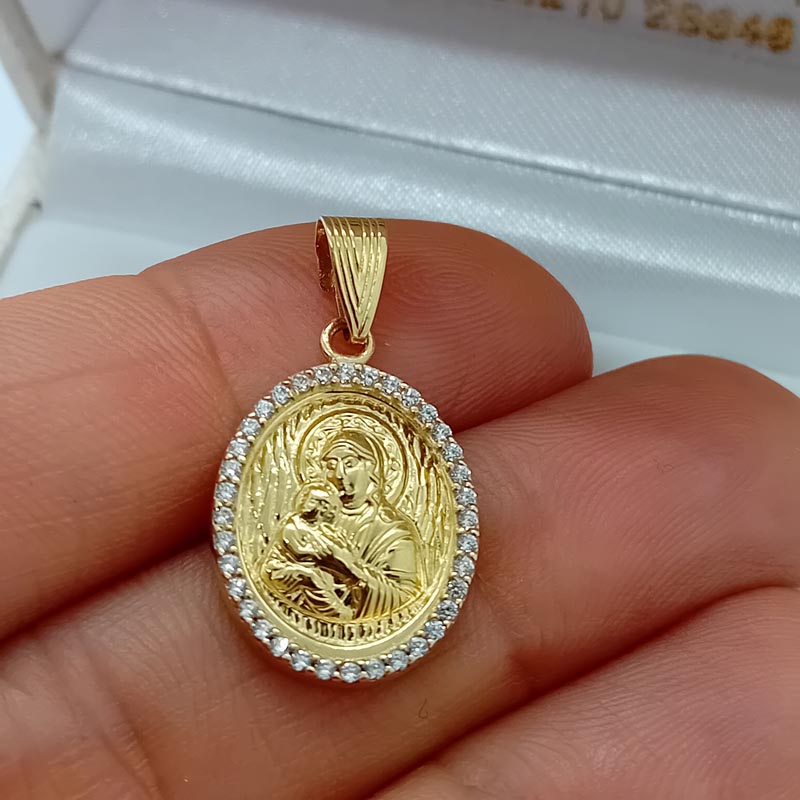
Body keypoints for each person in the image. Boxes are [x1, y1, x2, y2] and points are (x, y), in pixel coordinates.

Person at [2, 221, 799, 797]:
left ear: (377, 473)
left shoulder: (391, 531)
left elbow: (396, 587)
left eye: (353, 465)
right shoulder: (307, 513)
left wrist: (335, 559)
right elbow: (278, 564)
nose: (339, 477)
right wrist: (302, 557)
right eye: (330, 465)